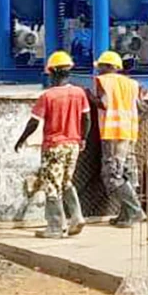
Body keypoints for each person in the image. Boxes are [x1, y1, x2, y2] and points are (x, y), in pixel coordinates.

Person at [14, 51, 89, 239]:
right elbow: (86, 117)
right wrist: (83, 138)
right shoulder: (79, 93)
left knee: (51, 186)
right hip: (73, 145)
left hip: (54, 146)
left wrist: (21, 139)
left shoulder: (48, 96)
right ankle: (77, 217)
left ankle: (55, 227)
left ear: (52, 73)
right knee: (65, 181)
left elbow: (34, 122)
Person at [92, 50, 146, 228]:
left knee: (112, 175)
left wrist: (89, 97)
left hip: (113, 132)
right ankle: (126, 215)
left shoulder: (103, 81)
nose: (98, 70)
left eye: (100, 66)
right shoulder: (132, 83)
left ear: (107, 67)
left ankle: (135, 210)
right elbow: (142, 100)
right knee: (128, 173)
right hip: (130, 132)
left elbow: (104, 103)